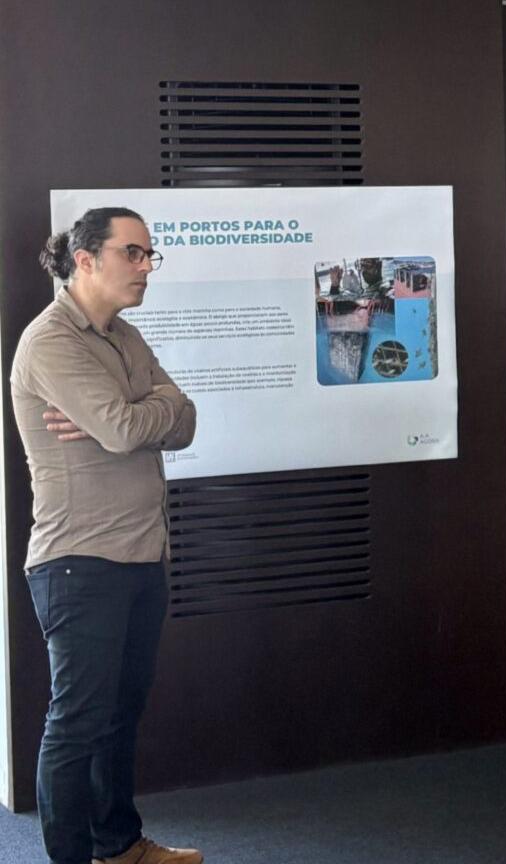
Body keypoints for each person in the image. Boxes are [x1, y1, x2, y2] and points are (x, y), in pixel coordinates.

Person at [10, 208, 201, 864]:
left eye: (150, 255)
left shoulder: (125, 336)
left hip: (142, 555)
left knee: (120, 716)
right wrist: (142, 413)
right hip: (78, 563)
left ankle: (118, 847)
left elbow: (185, 418)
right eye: (133, 253)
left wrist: (145, 411)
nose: (146, 267)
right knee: (78, 724)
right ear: (85, 259)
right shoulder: (50, 341)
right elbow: (123, 430)